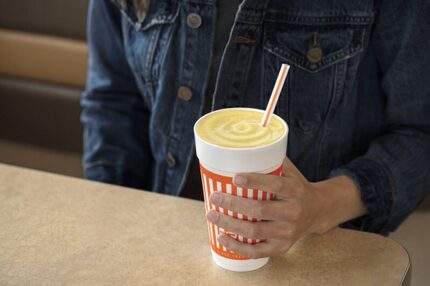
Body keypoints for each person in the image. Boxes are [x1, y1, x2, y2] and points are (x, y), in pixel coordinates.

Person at [81, 0, 430, 258]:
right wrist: (112, 232)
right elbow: (114, 101)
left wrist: (321, 205)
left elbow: (419, 132)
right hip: (160, 244)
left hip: (316, 255)